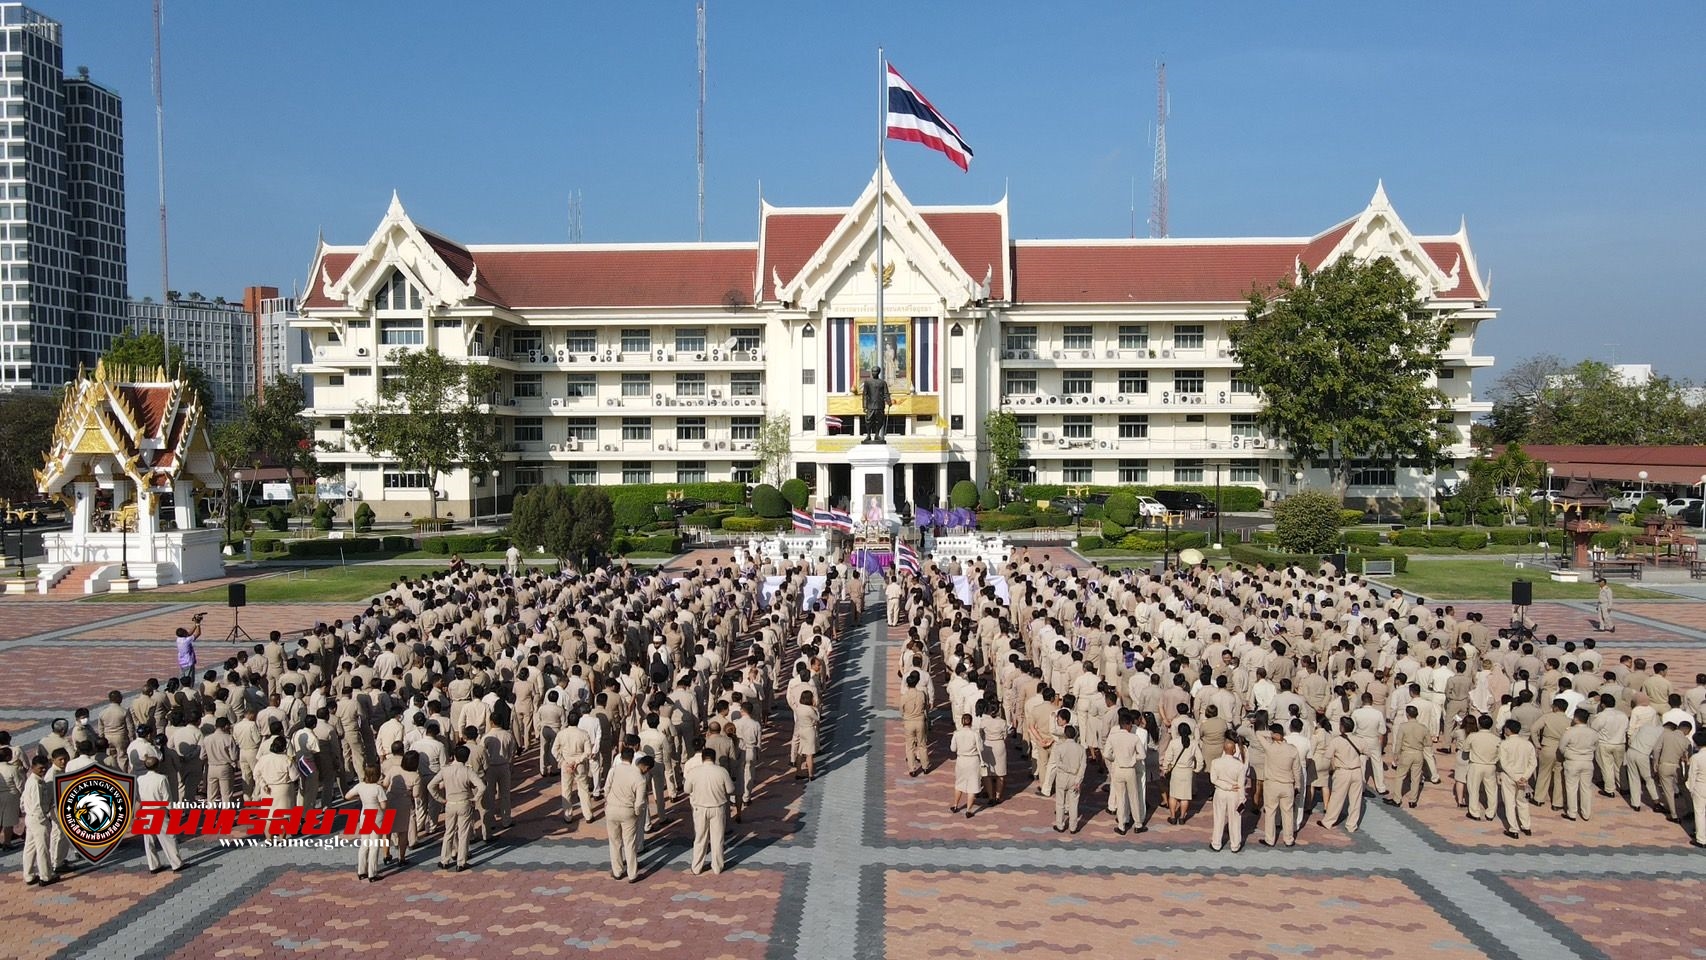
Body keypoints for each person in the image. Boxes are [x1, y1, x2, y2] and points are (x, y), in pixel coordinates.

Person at [429, 744, 485, 871]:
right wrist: (475, 799)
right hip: (464, 803)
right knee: (463, 833)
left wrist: (440, 799)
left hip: (450, 803)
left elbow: (431, 785)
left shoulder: (445, 770)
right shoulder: (467, 770)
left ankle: (444, 860)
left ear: (453, 756)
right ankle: (461, 862)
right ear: (466, 758)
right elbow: (482, 786)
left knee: (449, 832)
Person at [684, 747, 733, 874]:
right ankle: (717, 867)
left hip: (699, 808)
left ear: (702, 758)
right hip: (718, 807)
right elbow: (730, 790)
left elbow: (687, 790)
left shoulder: (694, 772)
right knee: (717, 838)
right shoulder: (722, 771)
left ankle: (696, 867)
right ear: (714, 757)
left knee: (700, 838)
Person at [604, 750, 651, 882]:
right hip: (628, 811)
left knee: (614, 842)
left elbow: (606, 788)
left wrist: (607, 801)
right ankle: (632, 874)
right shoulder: (639, 778)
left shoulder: (614, 770)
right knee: (630, 843)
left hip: (612, 809)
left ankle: (617, 871)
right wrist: (636, 813)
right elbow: (640, 802)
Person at [135, 755, 185, 873]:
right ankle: (176, 863)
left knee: (149, 840)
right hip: (159, 810)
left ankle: (153, 865)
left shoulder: (140, 779)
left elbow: (138, 797)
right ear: (158, 765)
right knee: (168, 838)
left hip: (145, 811)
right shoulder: (162, 778)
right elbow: (167, 798)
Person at [345, 764, 389, 881]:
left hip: (365, 815)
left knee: (365, 843)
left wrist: (360, 799)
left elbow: (347, 796)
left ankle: (361, 871)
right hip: (376, 816)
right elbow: (384, 805)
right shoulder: (378, 788)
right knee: (374, 845)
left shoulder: (360, 786)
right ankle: (372, 873)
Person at [1261, 724, 1302, 847]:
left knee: (1270, 812)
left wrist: (1271, 734)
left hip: (1272, 784)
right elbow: (1297, 770)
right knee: (1288, 813)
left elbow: (1258, 734)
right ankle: (1289, 839)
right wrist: (1298, 785)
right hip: (1287, 785)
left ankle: (1270, 839)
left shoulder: (1269, 747)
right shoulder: (1292, 749)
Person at [1496, 719, 1537, 839]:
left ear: (1508, 730)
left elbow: (1504, 764)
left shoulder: (1504, 744)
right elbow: (1533, 763)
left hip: (1509, 776)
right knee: (1523, 802)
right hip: (1523, 776)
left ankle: (1513, 829)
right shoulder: (1528, 744)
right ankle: (1526, 826)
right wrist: (1525, 777)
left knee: (1509, 802)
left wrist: (1515, 777)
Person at [20, 755, 55, 885]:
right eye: (41, 768)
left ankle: (28, 875)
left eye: (45, 767)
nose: (44, 770)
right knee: (42, 849)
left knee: (30, 848)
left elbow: (22, 801)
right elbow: (38, 805)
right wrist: (44, 819)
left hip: (30, 817)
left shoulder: (32, 780)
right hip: (38, 819)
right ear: (33, 767)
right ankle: (46, 876)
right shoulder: (35, 783)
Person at [1208, 738, 1248, 853]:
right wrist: (1242, 800)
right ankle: (1235, 845)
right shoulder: (1240, 766)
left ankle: (1216, 843)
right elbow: (1241, 785)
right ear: (1234, 750)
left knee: (1218, 818)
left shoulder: (1215, 762)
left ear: (1223, 750)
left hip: (1220, 792)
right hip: (1234, 794)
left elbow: (1213, 779)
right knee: (1235, 819)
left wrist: (1225, 786)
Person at [1049, 724, 1087, 834]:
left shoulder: (1059, 748)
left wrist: (1068, 769)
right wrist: (1078, 779)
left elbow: (1058, 763)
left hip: (1062, 777)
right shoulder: (1081, 749)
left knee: (1060, 803)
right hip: (1075, 778)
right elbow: (1083, 766)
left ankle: (1060, 825)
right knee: (1074, 803)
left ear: (1065, 735)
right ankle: (1073, 827)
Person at [950, 713, 981, 817]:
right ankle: (969, 810)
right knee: (972, 786)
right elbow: (980, 748)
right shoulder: (975, 734)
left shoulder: (957, 733)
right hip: (973, 760)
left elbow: (953, 749)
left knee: (959, 783)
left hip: (961, 760)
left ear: (962, 722)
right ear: (971, 722)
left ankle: (955, 805)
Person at [175, 613, 203, 685]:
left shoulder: (178, 639)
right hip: (188, 663)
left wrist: (195, 624)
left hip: (182, 662)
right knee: (189, 680)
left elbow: (188, 633)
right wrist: (198, 624)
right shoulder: (186, 641)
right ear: (184, 634)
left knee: (182, 679)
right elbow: (198, 633)